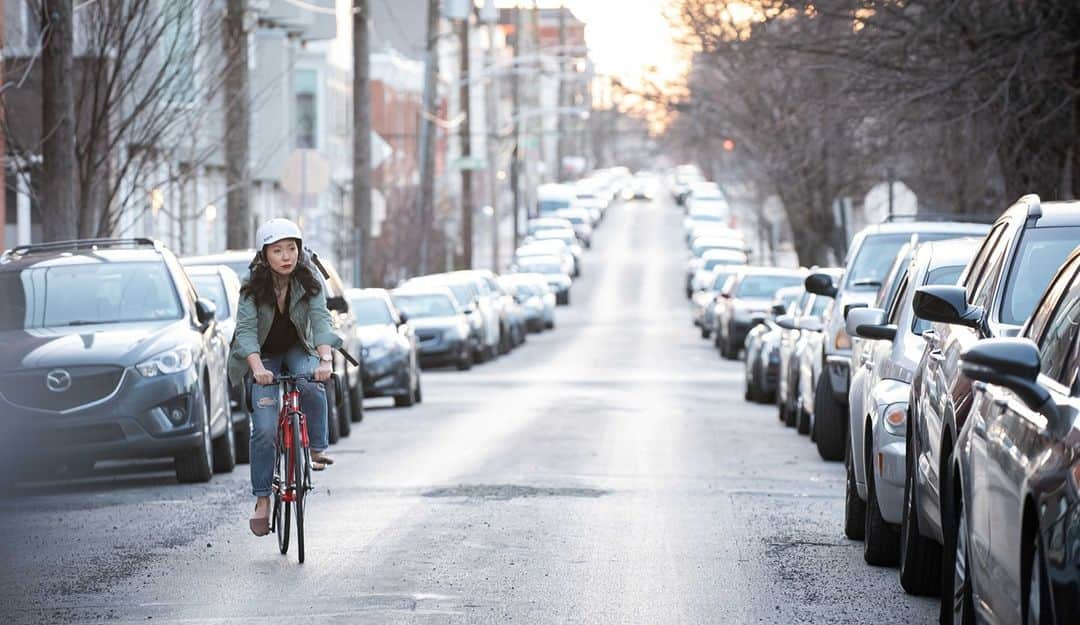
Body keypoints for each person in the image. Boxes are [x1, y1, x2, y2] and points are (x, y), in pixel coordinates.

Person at [227, 218, 342, 537]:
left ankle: (317, 447)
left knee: (311, 382)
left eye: (291, 248)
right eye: (277, 250)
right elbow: (246, 331)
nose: (286, 256)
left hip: (297, 347)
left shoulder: (309, 278)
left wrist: (325, 358)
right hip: (262, 354)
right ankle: (263, 500)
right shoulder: (252, 286)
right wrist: (257, 368)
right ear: (265, 255)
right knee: (264, 430)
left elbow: (321, 321)